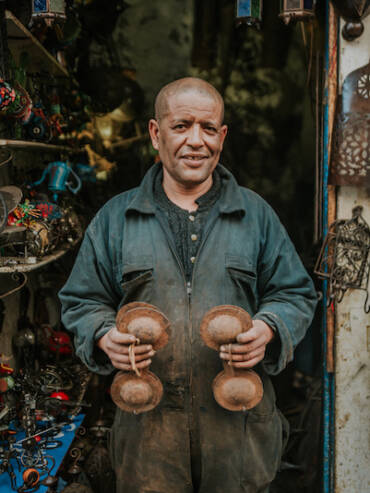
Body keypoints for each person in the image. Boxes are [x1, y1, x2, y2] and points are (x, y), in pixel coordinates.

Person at [59, 77, 317, 493]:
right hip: (148, 438)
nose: (196, 141)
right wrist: (103, 335)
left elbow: (296, 293)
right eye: (181, 126)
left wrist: (268, 327)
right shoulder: (115, 218)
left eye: (208, 128)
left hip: (239, 434)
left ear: (222, 136)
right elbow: (82, 299)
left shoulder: (255, 215)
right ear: (155, 133)